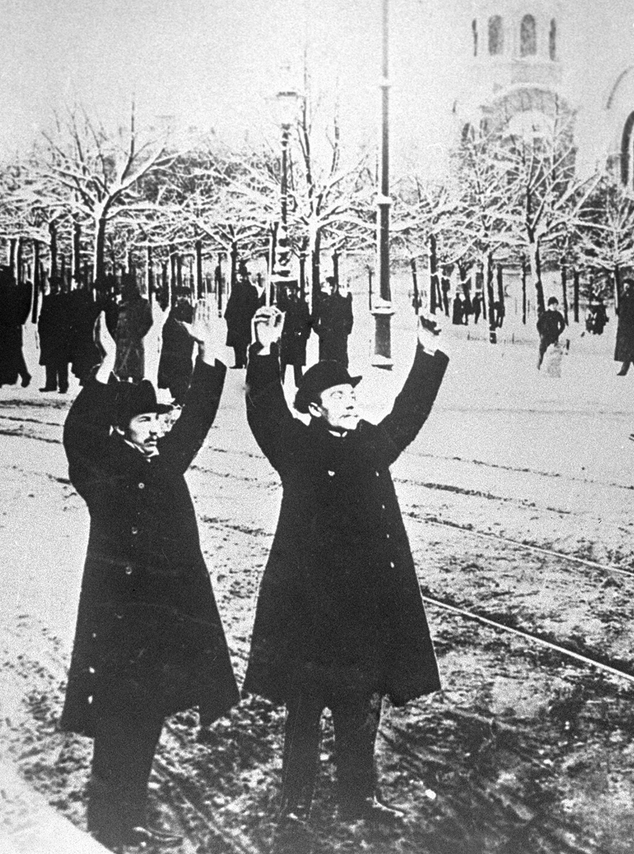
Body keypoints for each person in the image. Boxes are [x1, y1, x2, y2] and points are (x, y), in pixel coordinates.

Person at [243, 307, 449, 828]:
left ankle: (360, 797)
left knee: (361, 708)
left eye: (352, 392)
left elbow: (408, 414)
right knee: (305, 712)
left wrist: (426, 351)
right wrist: (264, 351)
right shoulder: (296, 447)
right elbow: (264, 411)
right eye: (338, 395)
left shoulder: (369, 445)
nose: (350, 399)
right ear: (313, 407)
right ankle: (294, 804)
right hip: (309, 608)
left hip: (363, 607)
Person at [61, 310, 238, 852]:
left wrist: (210, 358)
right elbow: (78, 435)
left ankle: (125, 812)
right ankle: (109, 822)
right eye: (147, 422)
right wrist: (104, 373)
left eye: (161, 421)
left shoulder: (166, 462)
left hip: (163, 616)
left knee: (150, 713)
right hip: (118, 621)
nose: (159, 428)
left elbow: (198, 419)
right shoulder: (102, 471)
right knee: (121, 718)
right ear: (121, 429)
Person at [112, 274, 154, 383]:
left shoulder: (143, 303)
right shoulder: (120, 304)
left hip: (135, 344)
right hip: (121, 344)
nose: (123, 289)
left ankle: (135, 398)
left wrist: (137, 334)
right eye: (122, 286)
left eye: (125, 286)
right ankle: (124, 397)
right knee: (122, 374)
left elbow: (148, 321)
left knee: (136, 375)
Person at [157, 298, 196, 405]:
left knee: (182, 371)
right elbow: (166, 327)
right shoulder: (173, 311)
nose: (181, 298)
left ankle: (181, 396)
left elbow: (193, 327)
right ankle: (177, 396)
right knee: (173, 372)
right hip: (173, 347)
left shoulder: (191, 311)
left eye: (184, 296)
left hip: (183, 347)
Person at [38, 274, 72, 393]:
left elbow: (69, 317)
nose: (54, 288)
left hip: (62, 334)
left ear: (60, 286)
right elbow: (43, 316)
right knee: (50, 360)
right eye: (52, 285)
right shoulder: (47, 299)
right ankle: (50, 384)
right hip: (49, 334)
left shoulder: (66, 299)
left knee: (62, 362)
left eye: (56, 285)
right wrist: (41, 330)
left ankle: (63, 385)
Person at [312, 276, 355, 370]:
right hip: (326, 338)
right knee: (326, 364)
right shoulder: (322, 303)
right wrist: (320, 332)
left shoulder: (343, 302)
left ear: (336, 287)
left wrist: (345, 331)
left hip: (339, 337)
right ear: (326, 287)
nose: (331, 288)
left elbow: (349, 318)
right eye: (329, 286)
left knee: (340, 364)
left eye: (333, 286)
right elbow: (314, 320)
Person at [223, 264, 259, 369]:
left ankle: (246, 361)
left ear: (247, 277)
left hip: (245, 320)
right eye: (239, 275)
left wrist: (248, 315)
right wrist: (228, 316)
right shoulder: (236, 288)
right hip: (235, 320)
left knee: (245, 342)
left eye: (243, 275)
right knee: (236, 343)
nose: (241, 278)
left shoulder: (252, 289)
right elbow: (231, 303)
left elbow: (254, 305)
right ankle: (238, 362)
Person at [277, 282, 311, 385]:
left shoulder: (302, 305)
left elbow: (307, 321)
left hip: (297, 337)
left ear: (296, 291)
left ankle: (299, 382)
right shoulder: (282, 305)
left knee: (297, 362)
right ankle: (280, 381)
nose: (291, 292)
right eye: (288, 290)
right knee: (282, 360)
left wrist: (304, 334)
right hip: (286, 336)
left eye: (293, 289)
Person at [536, 297, 567, 370]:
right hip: (545, 337)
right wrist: (541, 333)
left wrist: (558, 333)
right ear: (549, 305)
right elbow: (538, 324)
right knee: (542, 351)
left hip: (554, 337)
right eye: (554, 304)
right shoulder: (545, 314)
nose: (555, 306)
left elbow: (563, 325)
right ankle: (539, 366)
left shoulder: (558, 314)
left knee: (553, 353)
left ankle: (551, 369)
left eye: (556, 304)